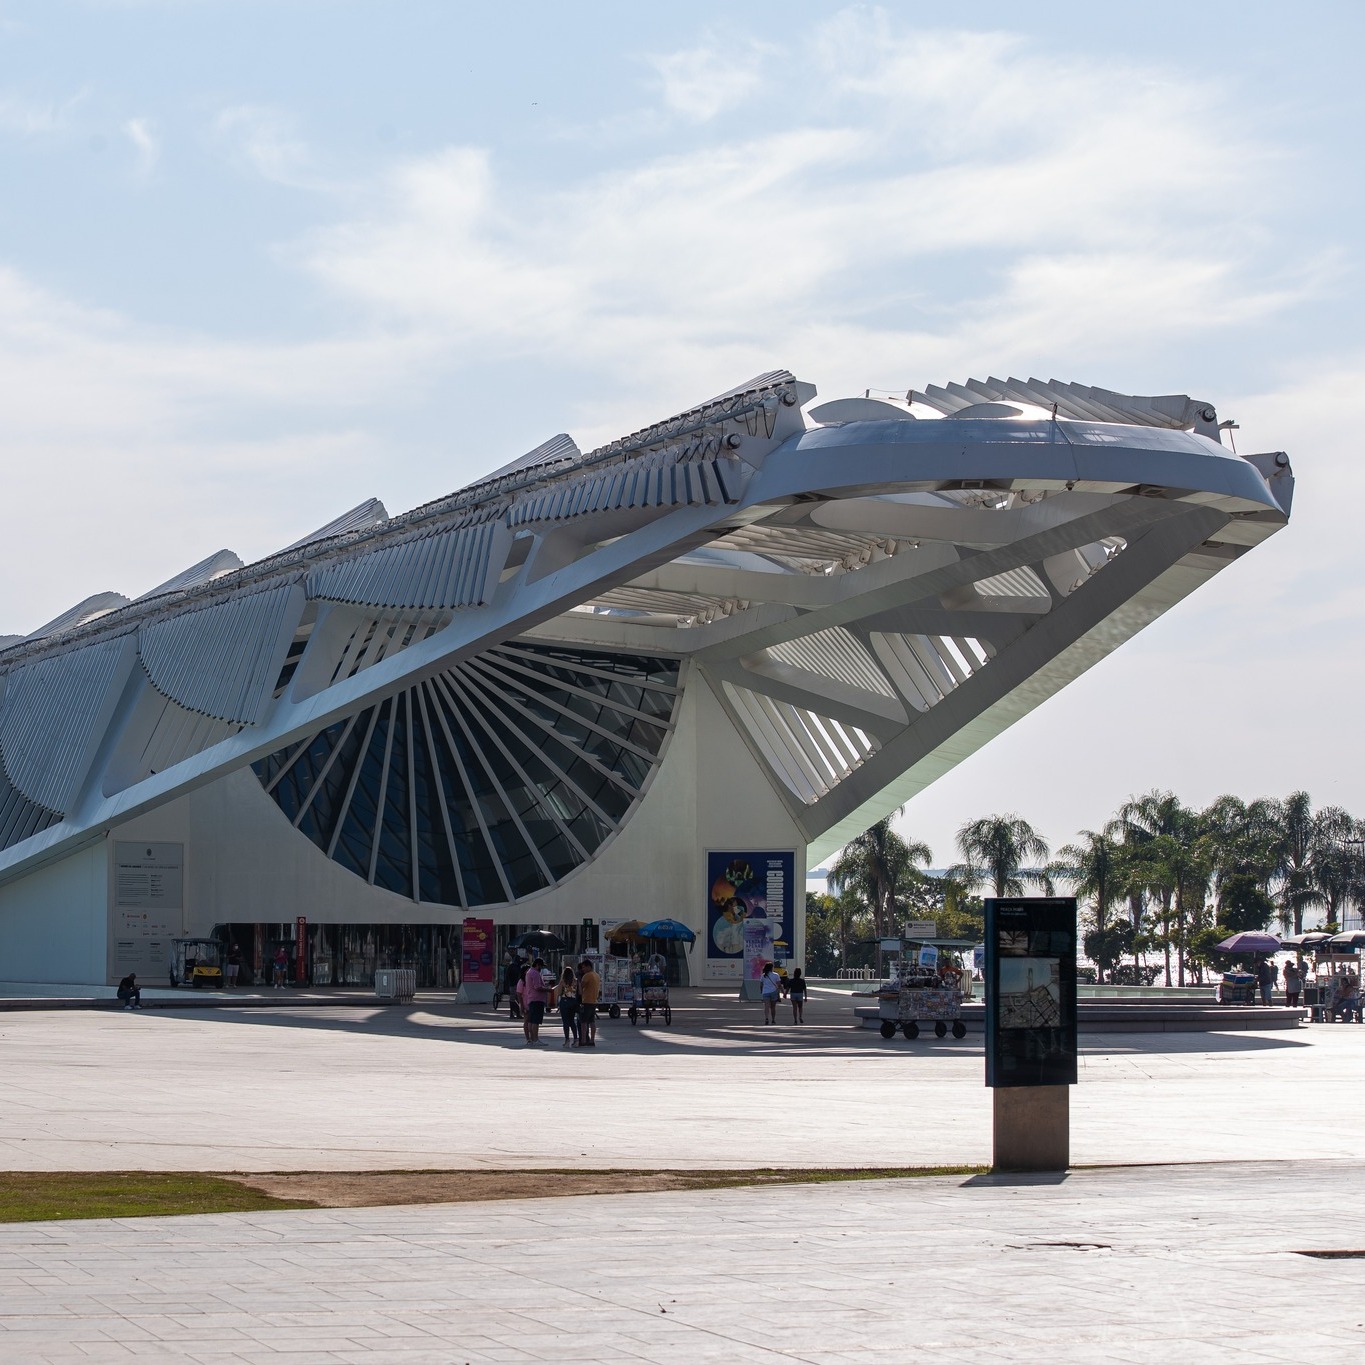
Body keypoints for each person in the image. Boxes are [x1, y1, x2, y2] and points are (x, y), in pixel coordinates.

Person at [522, 956, 549, 1045]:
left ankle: (532, 1039)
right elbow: (537, 987)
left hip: (531, 999)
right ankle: (536, 1039)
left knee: (531, 1020)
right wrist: (548, 989)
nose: (541, 968)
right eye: (541, 966)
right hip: (537, 999)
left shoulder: (529, 972)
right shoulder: (535, 973)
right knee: (536, 1021)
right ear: (537, 965)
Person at [577, 957, 601, 1046]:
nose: (582, 969)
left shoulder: (587, 975)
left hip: (586, 1000)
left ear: (588, 966)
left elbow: (581, 988)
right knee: (592, 1022)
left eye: (584, 967)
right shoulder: (597, 975)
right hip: (594, 1001)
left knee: (583, 1022)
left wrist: (578, 984)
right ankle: (592, 1040)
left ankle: (583, 1040)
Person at [556, 966, 579, 1047]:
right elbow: (579, 992)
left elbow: (559, 993)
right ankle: (576, 1039)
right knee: (572, 1021)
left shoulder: (562, 982)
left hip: (564, 1001)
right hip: (573, 1001)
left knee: (565, 1021)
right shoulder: (576, 981)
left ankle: (567, 1040)